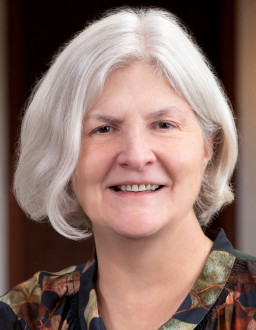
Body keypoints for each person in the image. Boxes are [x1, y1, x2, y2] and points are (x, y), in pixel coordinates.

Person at [1, 6, 256, 330]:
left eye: (163, 124)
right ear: (63, 153)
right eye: (104, 129)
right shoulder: (22, 317)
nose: (136, 156)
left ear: (209, 146)